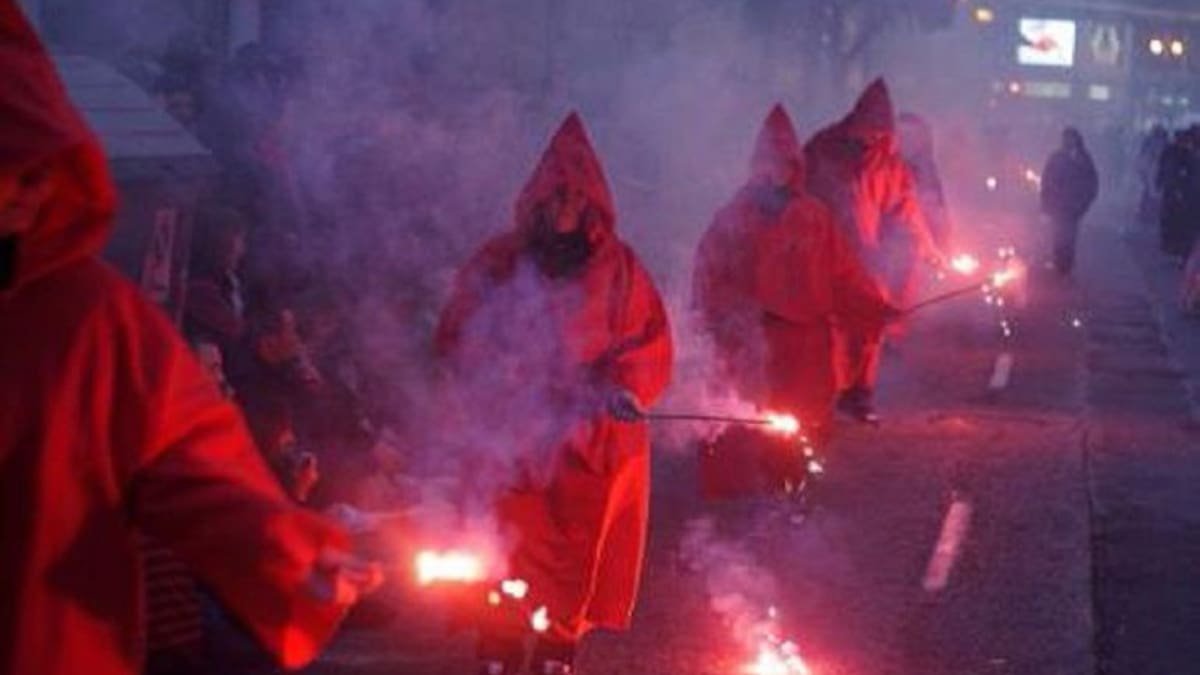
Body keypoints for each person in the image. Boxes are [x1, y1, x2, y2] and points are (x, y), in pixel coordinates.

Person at [0, 4, 382, 674]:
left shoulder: (91, 317)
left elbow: (191, 461)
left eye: (39, 168)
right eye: (10, 165)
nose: (24, 192)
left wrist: (294, 558)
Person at [435, 113, 673, 675]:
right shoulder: (498, 260)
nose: (564, 211)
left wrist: (621, 388)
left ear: (593, 205)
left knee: (574, 549)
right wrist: (499, 381)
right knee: (503, 541)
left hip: (587, 441)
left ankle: (556, 650)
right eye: (554, 200)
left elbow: (649, 343)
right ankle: (496, 647)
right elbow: (458, 331)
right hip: (510, 435)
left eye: (574, 200)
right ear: (535, 202)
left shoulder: (621, 270)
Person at [693, 104, 894, 464]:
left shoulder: (814, 217)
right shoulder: (734, 216)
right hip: (754, 343)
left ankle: (791, 503)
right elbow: (710, 273)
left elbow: (844, 275)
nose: (775, 173)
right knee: (754, 437)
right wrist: (718, 322)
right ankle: (757, 504)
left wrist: (875, 308)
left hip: (805, 351)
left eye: (782, 164)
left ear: (794, 167)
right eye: (767, 163)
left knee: (802, 434)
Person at [804, 78, 945, 423]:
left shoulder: (889, 162)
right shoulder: (824, 146)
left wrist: (929, 248)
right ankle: (830, 391)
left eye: (882, 131)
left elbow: (906, 208)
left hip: (867, 256)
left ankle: (860, 394)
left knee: (870, 323)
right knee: (832, 327)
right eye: (872, 128)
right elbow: (798, 186)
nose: (876, 136)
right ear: (858, 119)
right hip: (824, 250)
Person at [1040, 127, 1099, 275]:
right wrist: (1046, 202)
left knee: (1070, 236)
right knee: (1058, 235)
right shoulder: (1056, 157)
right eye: (1065, 138)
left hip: (1074, 206)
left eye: (1070, 138)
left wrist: (1084, 202)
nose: (1068, 141)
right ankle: (1059, 263)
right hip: (1058, 205)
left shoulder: (1083, 159)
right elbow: (1046, 180)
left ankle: (1066, 265)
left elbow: (1092, 182)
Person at [1157, 126, 1200, 262]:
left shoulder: (1185, 153)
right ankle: (1182, 252)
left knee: (1186, 227)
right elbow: (1171, 171)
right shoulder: (1182, 153)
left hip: (1187, 195)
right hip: (1186, 195)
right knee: (1186, 227)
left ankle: (1182, 252)